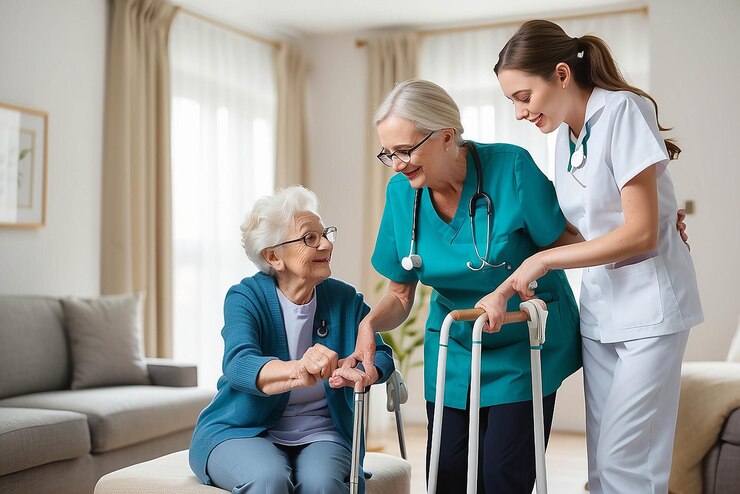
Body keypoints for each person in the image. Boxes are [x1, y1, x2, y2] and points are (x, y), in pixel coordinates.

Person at [481, 20, 703, 494]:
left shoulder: (622, 109)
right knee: (602, 468)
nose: (519, 112)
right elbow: (589, 228)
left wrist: (543, 262)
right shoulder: (561, 137)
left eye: (524, 96)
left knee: (627, 461)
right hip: (602, 310)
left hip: (651, 310)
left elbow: (640, 234)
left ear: (561, 74)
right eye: (512, 102)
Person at [349, 78, 583, 493]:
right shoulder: (402, 194)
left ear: (446, 136)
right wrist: (370, 325)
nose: (398, 163)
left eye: (407, 150)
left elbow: (572, 240)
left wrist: (644, 223)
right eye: (389, 153)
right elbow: (400, 295)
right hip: (455, 342)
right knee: (447, 475)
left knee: (501, 476)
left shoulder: (510, 168)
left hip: (523, 338)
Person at [189, 185, 395, 494]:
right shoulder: (245, 297)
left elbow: (381, 353)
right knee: (268, 480)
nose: (326, 244)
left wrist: (364, 369)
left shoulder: (343, 298)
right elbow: (239, 364)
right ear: (273, 256)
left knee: (322, 484)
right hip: (242, 431)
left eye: (325, 234)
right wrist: (300, 369)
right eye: (310, 238)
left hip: (324, 432)